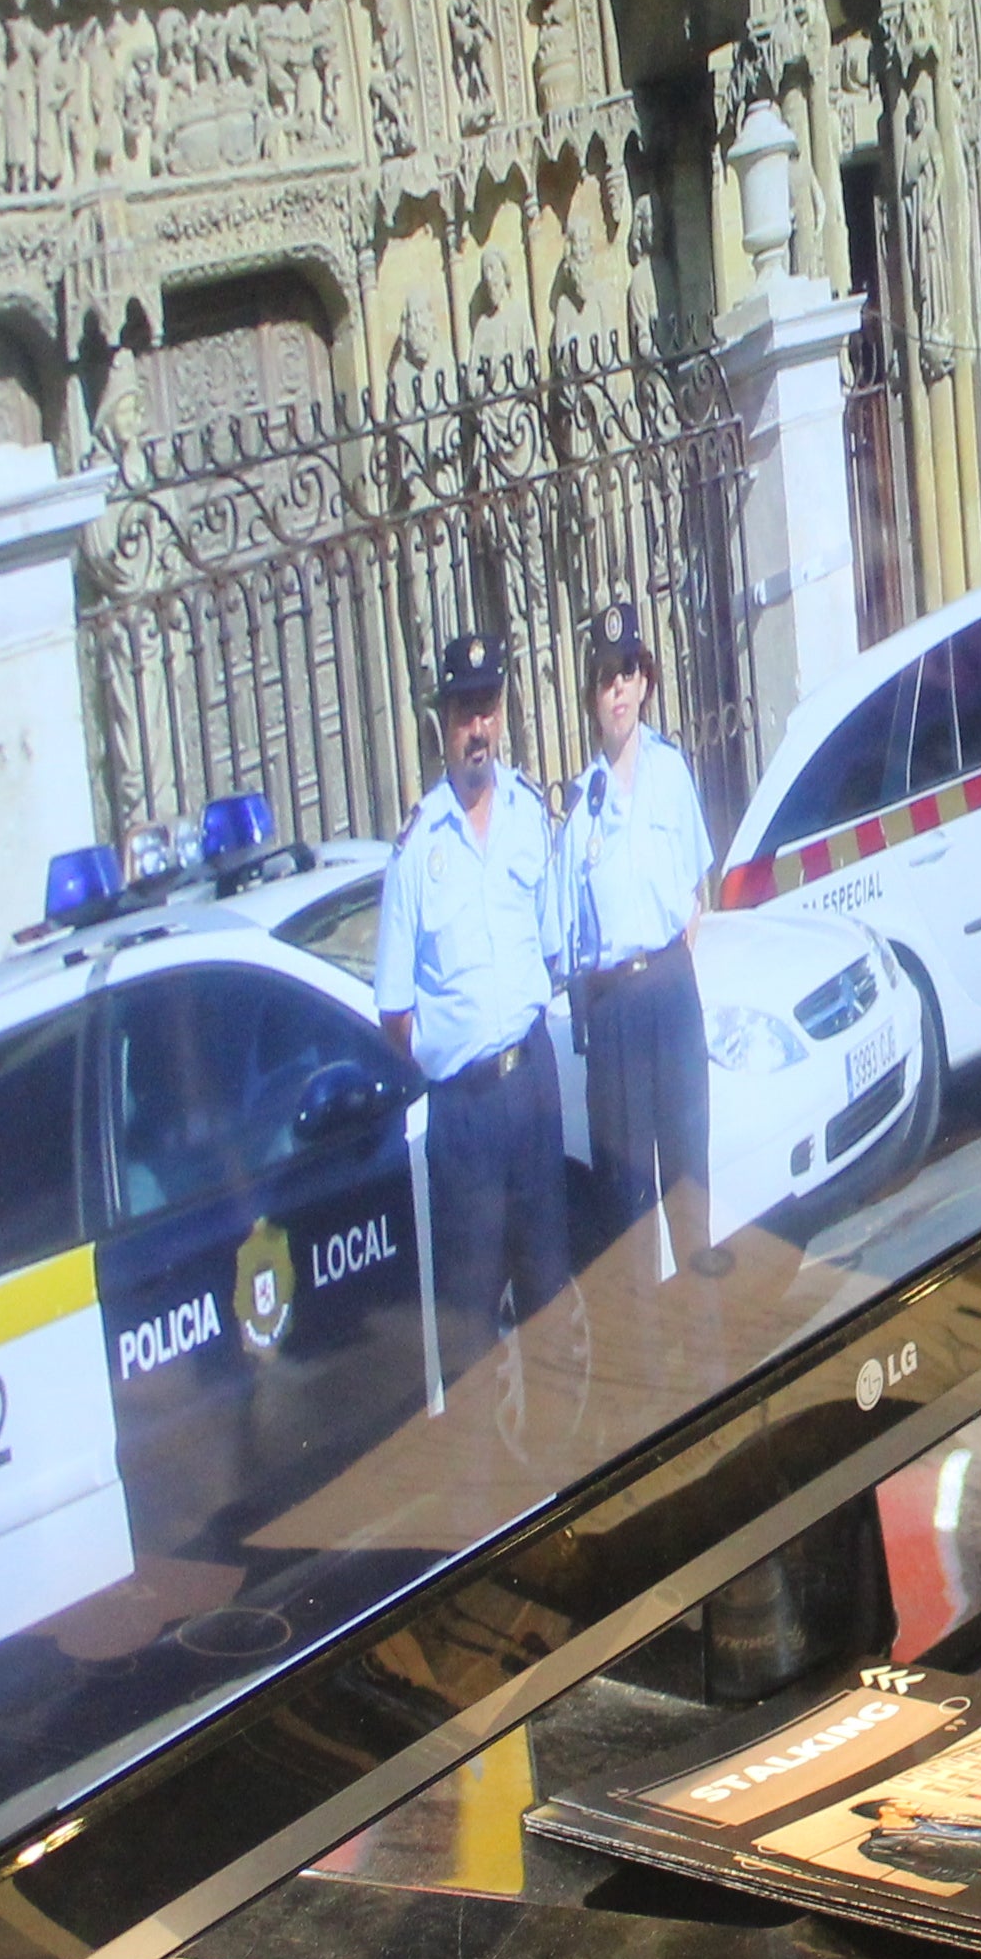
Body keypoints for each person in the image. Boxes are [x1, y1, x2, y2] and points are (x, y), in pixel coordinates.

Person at [378, 632, 565, 1402]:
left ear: (503, 712)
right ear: (443, 726)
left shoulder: (529, 815)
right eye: (463, 713)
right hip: (467, 1111)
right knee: (472, 1317)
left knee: (551, 1288)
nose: (477, 728)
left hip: (532, 1085)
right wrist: (451, 1055)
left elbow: (553, 944)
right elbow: (394, 1009)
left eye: (487, 708)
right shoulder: (417, 850)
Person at [561, 600, 715, 1282]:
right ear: (591, 696)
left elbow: (696, 894)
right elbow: (565, 941)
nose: (616, 691)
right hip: (615, 1010)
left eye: (626, 674)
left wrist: (672, 961)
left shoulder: (672, 773)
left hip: (670, 993)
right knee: (628, 1202)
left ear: (645, 681)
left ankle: (706, 1343)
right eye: (604, 679)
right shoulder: (578, 806)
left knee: (689, 1177)